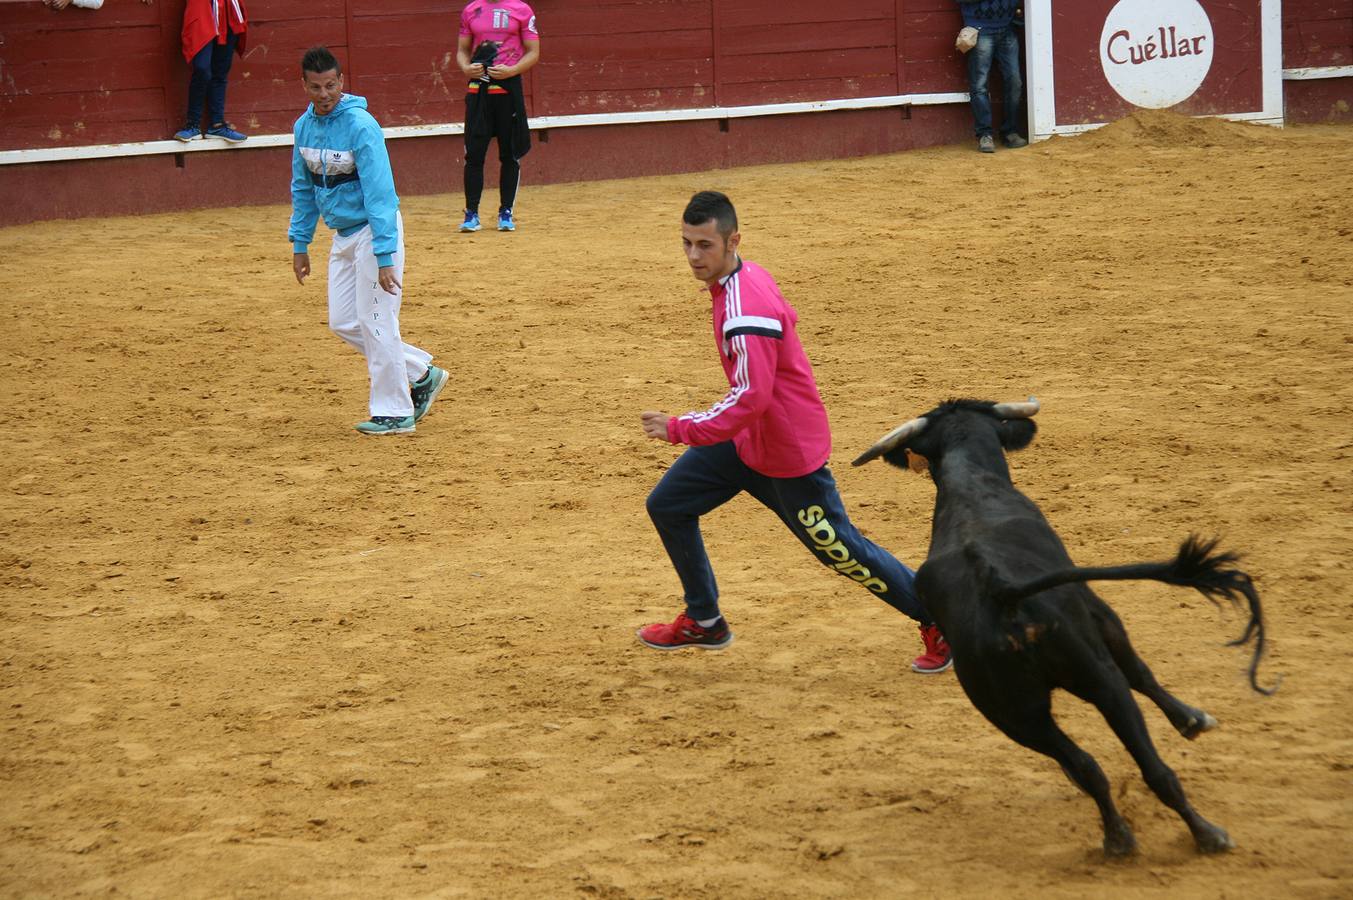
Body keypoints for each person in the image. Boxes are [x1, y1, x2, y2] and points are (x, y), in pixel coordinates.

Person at [636, 191, 952, 675]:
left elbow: (751, 397)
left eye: (705, 245)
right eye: (686, 244)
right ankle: (704, 618)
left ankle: (940, 619)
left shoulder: (744, 309)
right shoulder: (744, 275)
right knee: (669, 504)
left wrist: (679, 427)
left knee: (840, 549)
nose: (694, 256)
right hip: (746, 440)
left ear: (732, 240)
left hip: (785, 451)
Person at [288, 46, 449, 436]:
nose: (324, 94)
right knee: (345, 321)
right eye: (315, 87)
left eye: (330, 85)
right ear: (304, 86)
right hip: (342, 235)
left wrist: (384, 253)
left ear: (341, 82)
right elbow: (303, 189)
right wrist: (300, 243)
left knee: (377, 321)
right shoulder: (302, 128)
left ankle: (395, 411)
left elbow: (380, 193)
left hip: (374, 232)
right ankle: (421, 374)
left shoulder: (361, 125)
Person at [455, 0, 539, 233]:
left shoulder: (522, 9)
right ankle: (471, 213)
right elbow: (462, 50)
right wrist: (465, 67)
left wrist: (512, 70)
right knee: (474, 153)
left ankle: (506, 212)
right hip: (478, 88)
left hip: (508, 89)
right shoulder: (471, 10)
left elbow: (534, 52)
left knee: (510, 154)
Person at [957, 1, 1027, 153]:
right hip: (979, 29)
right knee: (980, 85)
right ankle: (985, 134)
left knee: (1014, 81)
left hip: (1008, 27)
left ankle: (1010, 131)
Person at [176, 0, 249, 143]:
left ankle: (217, 125)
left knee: (221, 71)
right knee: (202, 68)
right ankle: (192, 125)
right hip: (203, 7)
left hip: (228, 9)